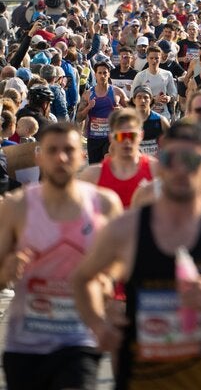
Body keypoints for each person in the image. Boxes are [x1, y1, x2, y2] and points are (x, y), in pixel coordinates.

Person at [72, 120, 201, 389]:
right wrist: (99, 323)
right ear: (159, 165)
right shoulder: (127, 228)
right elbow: (82, 278)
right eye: (170, 159)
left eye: (191, 160)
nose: (180, 170)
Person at [0, 123, 122, 390]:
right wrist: (6, 270)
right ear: (38, 156)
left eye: (69, 150)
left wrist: (106, 280)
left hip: (79, 341)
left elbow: (121, 264)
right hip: (26, 345)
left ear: (81, 155)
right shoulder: (15, 207)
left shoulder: (104, 204)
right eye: (52, 150)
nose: (61, 158)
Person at [78, 108, 157, 209]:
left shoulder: (155, 170)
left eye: (131, 135)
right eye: (121, 136)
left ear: (141, 136)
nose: (127, 141)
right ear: (111, 138)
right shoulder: (92, 175)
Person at [76, 60, 126, 163]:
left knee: (109, 165)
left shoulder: (117, 92)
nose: (102, 76)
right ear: (95, 75)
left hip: (112, 137)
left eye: (105, 73)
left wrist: (122, 110)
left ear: (109, 74)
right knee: (95, 167)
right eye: (100, 73)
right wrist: (88, 108)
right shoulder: (87, 94)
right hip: (94, 137)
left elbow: (132, 111)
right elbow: (79, 117)